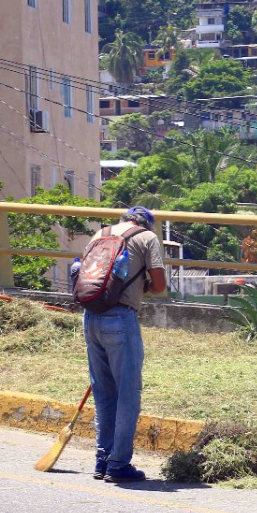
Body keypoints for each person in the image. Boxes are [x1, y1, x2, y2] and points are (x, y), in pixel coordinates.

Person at [82, 205, 167, 482]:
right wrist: (139, 284)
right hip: (120, 318)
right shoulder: (147, 238)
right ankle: (118, 464)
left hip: (91, 317)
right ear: (147, 224)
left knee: (104, 393)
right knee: (127, 394)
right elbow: (160, 284)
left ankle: (102, 460)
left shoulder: (100, 234)